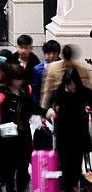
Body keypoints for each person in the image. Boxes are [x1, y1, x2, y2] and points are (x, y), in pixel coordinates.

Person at [0, 64, 43, 192]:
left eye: (21, 79)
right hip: (6, 133)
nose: (19, 82)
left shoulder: (25, 90)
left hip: (23, 131)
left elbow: (32, 106)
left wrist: (44, 112)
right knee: (8, 161)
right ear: (10, 78)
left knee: (23, 160)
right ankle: (8, 184)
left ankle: (21, 182)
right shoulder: (1, 91)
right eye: (17, 79)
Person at [48, 61, 92, 191]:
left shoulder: (85, 93)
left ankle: (74, 184)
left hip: (79, 134)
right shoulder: (59, 93)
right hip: (63, 134)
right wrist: (51, 110)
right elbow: (50, 106)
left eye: (71, 84)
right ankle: (66, 186)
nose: (69, 87)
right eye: (67, 84)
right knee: (64, 163)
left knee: (76, 163)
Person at [41, 44, 92, 108]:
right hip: (66, 105)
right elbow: (48, 90)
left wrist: (44, 108)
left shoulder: (53, 67)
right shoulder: (82, 68)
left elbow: (48, 90)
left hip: (75, 105)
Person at [32, 39, 61, 105]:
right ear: (44, 53)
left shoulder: (65, 67)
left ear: (58, 53)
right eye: (48, 53)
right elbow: (36, 90)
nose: (51, 56)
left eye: (54, 53)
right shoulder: (37, 69)